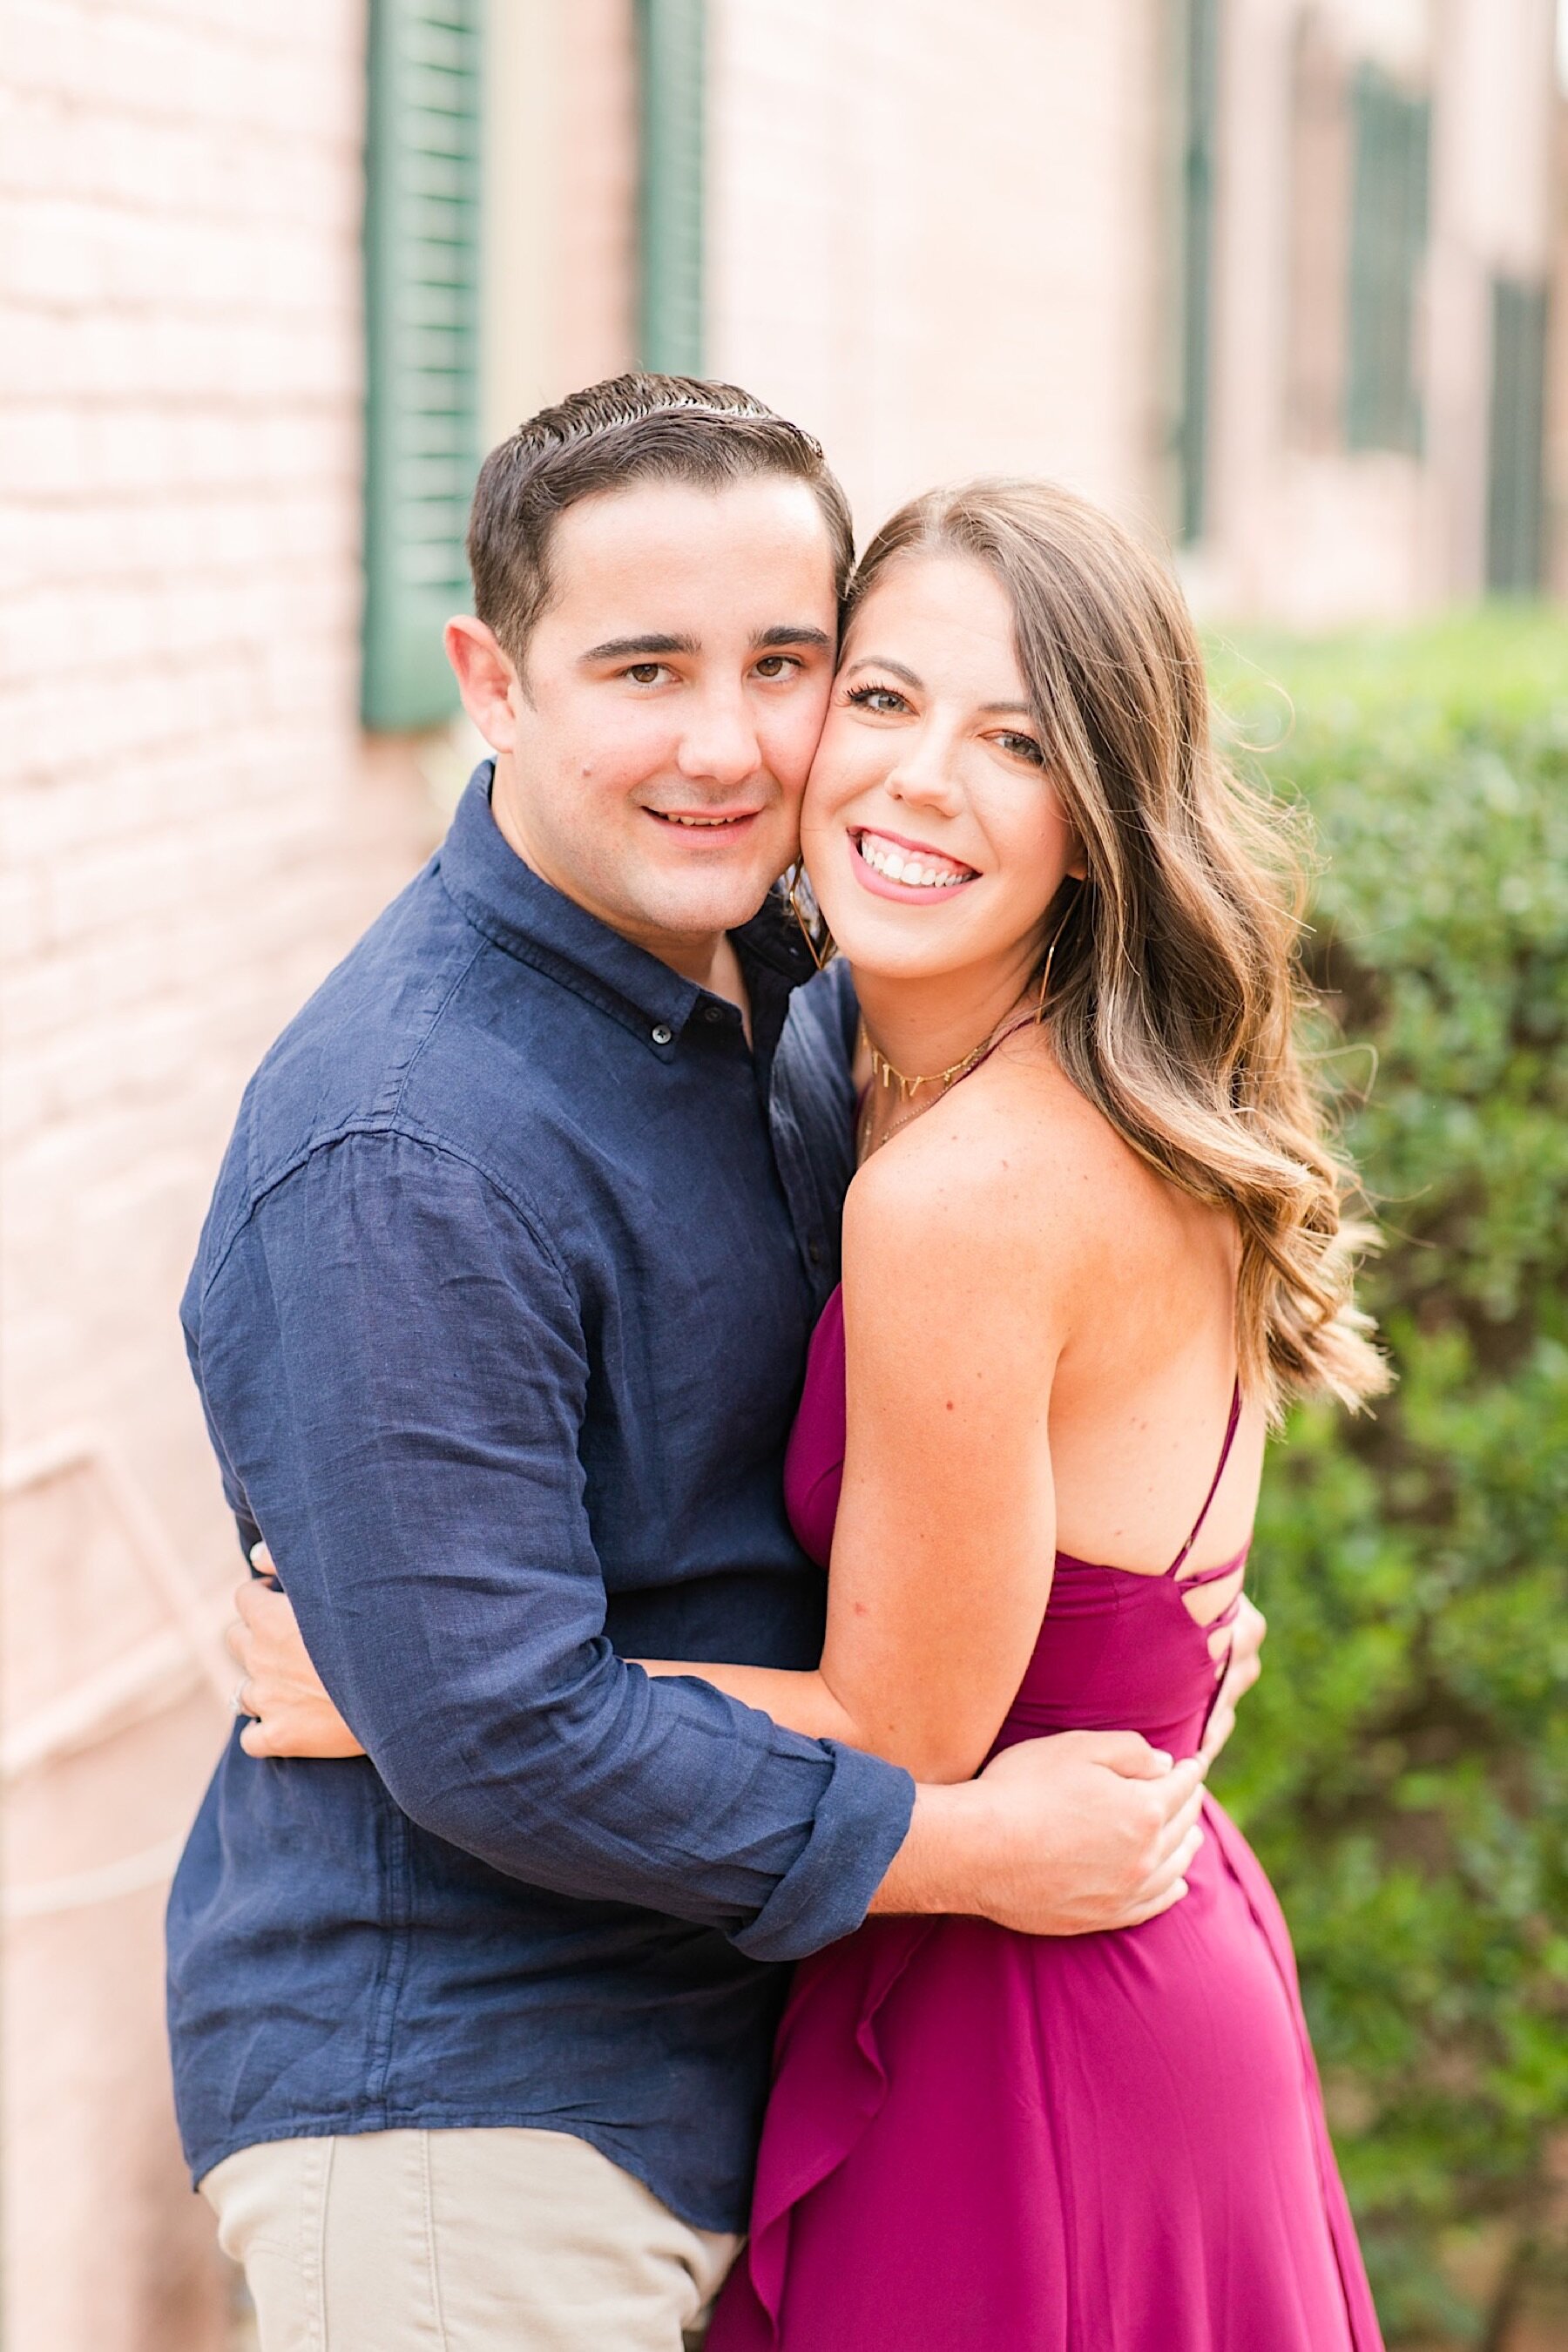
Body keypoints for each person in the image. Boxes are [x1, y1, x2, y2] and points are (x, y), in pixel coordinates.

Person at [173, 378, 1254, 2352]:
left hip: (745, 2071)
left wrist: (1123, 1644)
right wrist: (973, 1841)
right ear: (492, 684)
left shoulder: (795, 1017)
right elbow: (499, 1731)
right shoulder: (405, 1141)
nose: (732, 744)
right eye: (645, 669)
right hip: (473, 2125)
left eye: (788, 665)